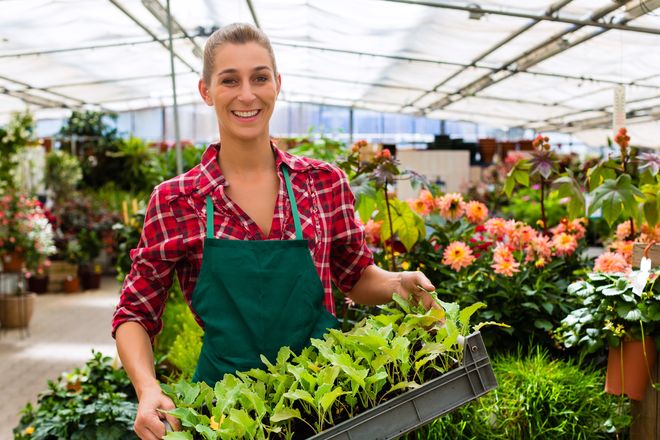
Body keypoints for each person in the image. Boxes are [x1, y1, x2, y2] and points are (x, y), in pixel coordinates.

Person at [112, 23, 436, 440]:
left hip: (325, 402)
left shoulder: (322, 183)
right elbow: (136, 312)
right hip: (225, 414)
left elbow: (355, 279)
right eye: (230, 80)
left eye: (260, 77)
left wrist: (401, 284)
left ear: (277, 85)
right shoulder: (176, 200)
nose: (247, 94)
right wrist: (148, 387)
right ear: (206, 91)